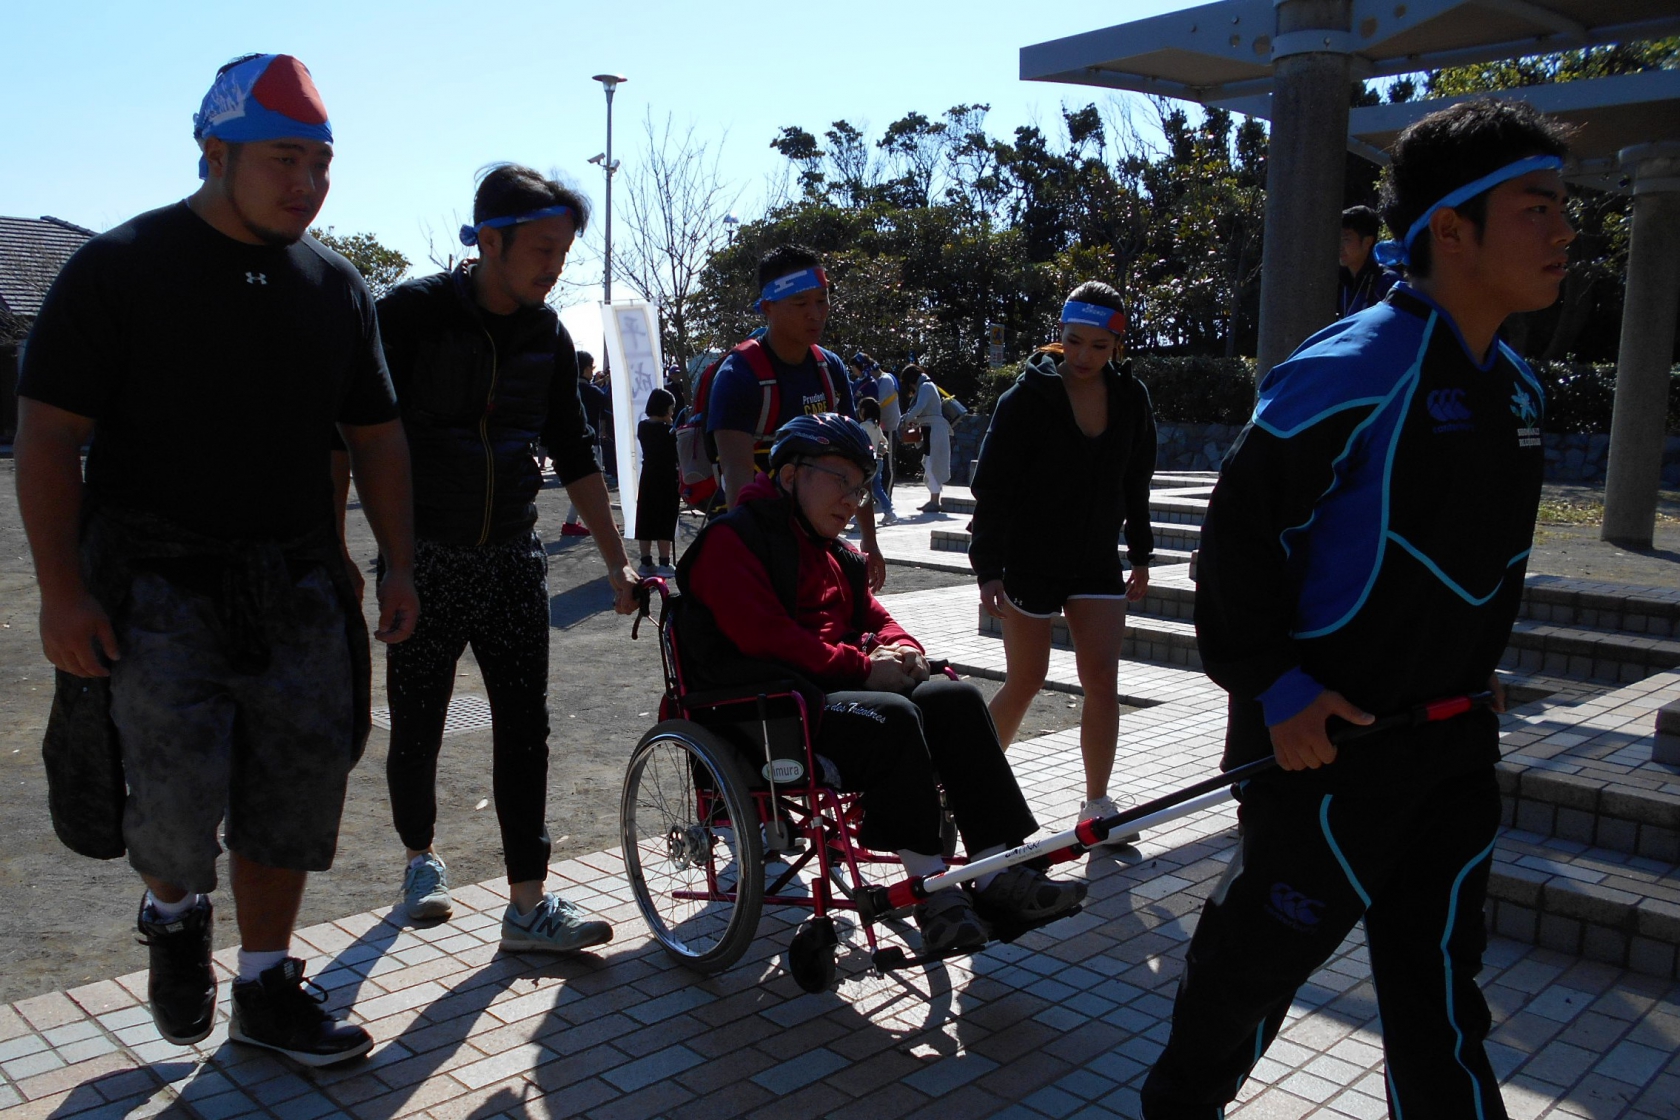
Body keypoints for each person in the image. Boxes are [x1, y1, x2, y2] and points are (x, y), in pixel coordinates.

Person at [1140, 98, 1575, 1118]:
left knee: (1441, 1003)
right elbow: (1235, 547)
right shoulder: (1350, 368)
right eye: (1537, 208)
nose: (1565, 230)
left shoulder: (1517, 387)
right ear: (1451, 229)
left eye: (1564, 208)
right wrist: (1277, 686)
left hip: (1453, 752)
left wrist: (1465, 671)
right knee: (1246, 981)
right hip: (1328, 756)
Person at [14, 54, 416, 1065]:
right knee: (172, 797)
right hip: (154, 582)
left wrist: (395, 562)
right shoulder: (120, 267)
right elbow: (51, 433)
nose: (308, 183)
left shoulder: (335, 287)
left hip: (294, 581)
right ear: (215, 152)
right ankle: (174, 913)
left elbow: (375, 437)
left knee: (295, 787)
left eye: (322, 163)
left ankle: (266, 985)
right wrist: (62, 592)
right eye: (285, 159)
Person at [677, 414, 1087, 953]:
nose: (853, 501)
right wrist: (864, 668)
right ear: (790, 475)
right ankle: (932, 894)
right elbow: (765, 637)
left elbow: (878, 618)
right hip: (770, 709)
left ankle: (994, 872)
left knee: (955, 696)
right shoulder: (733, 542)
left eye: (861, 487)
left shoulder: (835, 554)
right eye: (841, 481)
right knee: (894, 718)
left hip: (836, 691)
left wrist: (906, 652)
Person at [375, 163, 640, 950]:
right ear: (490, 241)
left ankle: (528, 905)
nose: (555, 267)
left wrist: (617, 561)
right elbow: (354, 436)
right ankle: (420, 858)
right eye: (543, 250)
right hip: (423, 557)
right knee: (417, 721)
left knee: (527, 728)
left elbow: (575, 451)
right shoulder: (410, 316)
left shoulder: (547, 335)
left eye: (564, 253)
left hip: (512, 558)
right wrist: (375, 559)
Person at [970, 281, 1155, 841]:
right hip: (1030, 559)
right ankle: (968, 790)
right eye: (1074, 341)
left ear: (1117, 345)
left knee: (1102, 679)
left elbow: (1136, 481)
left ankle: (1097, 803)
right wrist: (988, 569)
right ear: (1060, 333)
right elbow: (993, 488)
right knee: (1026, 679)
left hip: (1096, 559)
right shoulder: (1025, 399)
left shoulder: (1131, 398)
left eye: (1098, 346)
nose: (1083, 356)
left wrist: (1141, 554)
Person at [706, 243, 886, 591]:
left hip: (814, 541)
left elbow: (857, 461)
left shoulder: (829, 369)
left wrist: (870, 540)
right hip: (753, 541)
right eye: (801, 304)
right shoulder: (739, 375)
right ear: (768, 307)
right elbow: (736, 476)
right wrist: (754, 563)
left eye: (822, 300)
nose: (816, 314)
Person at [561, 351, 608, 537]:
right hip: (591, 444)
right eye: (591, 367)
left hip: (570, 444)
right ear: (586, 368)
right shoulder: (593, 392)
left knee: (580, 485)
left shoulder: (567, 390)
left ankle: (577, 522)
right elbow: (607, 403)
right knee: (592, 487)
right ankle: (572, 522)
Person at [634, 388, 680, 578]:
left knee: (645, 517)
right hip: (667, 478)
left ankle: (645, 562)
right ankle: (664, 562)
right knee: (665, 518)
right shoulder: (669, 431)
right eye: (671, 409)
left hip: (648, 476)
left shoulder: (643, 427)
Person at [896, 363, 951, 513]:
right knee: (929, 462)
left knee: (932, 463)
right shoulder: (927, 386)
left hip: (933, 430)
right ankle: (934, 499)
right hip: (931, 430)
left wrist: (906, 420)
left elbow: (919, 408)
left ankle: (934, 500)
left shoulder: (926, 387)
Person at [1338, 204, 1400, 318]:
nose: (1340, 246)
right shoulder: (1338, 281)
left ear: (1367, 242)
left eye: (1346, 239)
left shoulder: (1387, 282)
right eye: (1337, 238)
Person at [856, 397, 898, 525]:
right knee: (877, 489)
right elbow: (885, 442)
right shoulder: (876, 427)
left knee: (860, 489)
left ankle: (859, 520)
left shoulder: (863, 426)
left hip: (866, 463)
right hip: (878, 461)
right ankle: (889, 512)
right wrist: (881, 451)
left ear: (864, 411)